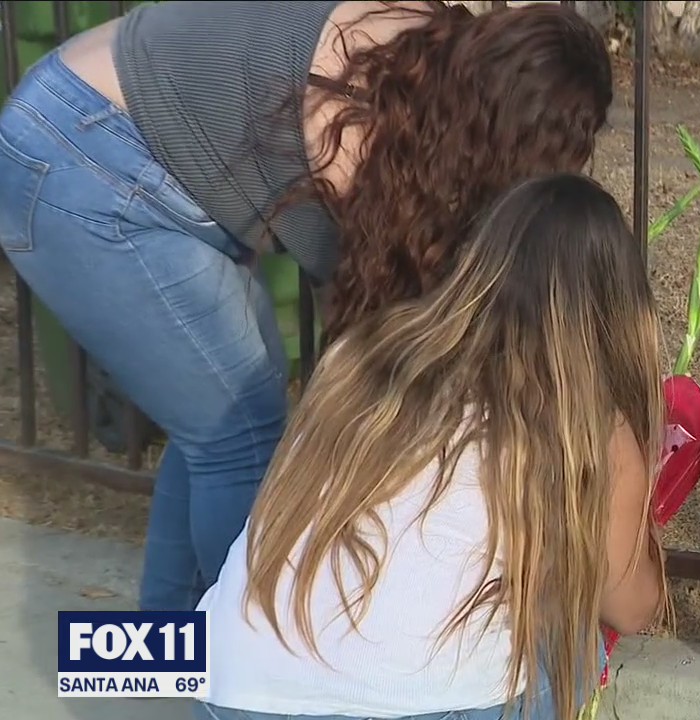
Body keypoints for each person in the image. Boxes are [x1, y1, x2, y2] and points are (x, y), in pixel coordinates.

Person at [0, 1, 613, 612]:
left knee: (214, 416)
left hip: (101, 126)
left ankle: (173, 652)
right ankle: (253, 662)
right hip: (80, 158)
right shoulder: (355, 136)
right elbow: (373, 341)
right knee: (237, 434)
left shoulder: (414, 44)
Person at [196, 173, 668, 720]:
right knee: (575, 654)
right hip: (406, 704)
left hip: (229, 688)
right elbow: (630, 607)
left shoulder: (366, 353)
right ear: (616, 308)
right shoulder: (587, 425)